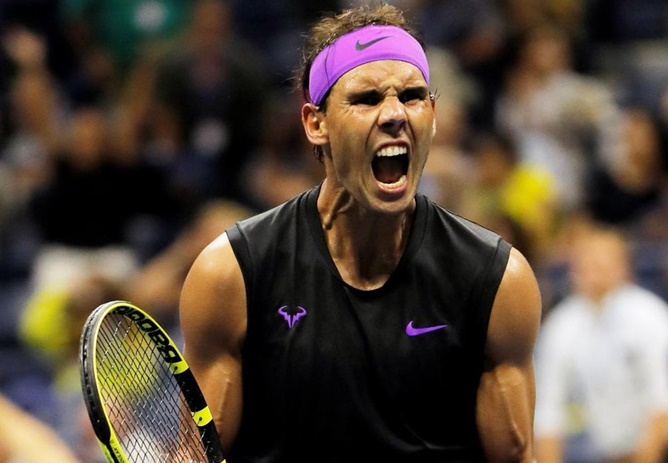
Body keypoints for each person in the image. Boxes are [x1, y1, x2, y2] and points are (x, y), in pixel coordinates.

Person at [179, 4, 542, 462]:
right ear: (316, 123)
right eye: (367, 99)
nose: (394, 114)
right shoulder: (230, 275)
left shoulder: (497, 280)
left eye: (412, 96)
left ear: (432, 113)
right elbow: (196, 456)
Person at [534, 223, 668, 463]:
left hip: (652, 449)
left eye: (600, 264)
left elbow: (660, 401)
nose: (592, 273)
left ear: (623, 268)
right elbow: (548, 413)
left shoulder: (650, 317)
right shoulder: (561, 326)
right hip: (595, 452)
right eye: (584, 264)